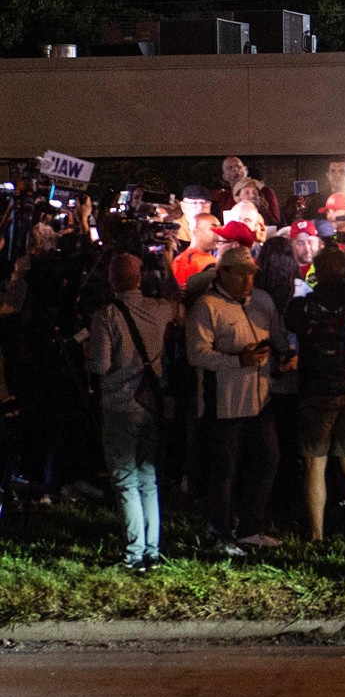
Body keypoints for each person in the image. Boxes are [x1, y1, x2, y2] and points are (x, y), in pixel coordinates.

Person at [186, 245, 289, 554]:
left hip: (260, 399)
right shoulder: (206, 306)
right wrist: (238, 360)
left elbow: (277, 333)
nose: (248, 281)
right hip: (224, 402)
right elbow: (197, 353)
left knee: (267, 459)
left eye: (252, 274)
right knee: (224, 469)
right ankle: (219, 532)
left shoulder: (262, 301)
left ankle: (250, 528)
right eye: (242, 274)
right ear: (224, 273)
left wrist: (283, 356)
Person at [86, 252, 180, 570]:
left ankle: (134, 553)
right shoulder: (158, 309)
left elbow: (101, 365)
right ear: (140, 278)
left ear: (111, 280)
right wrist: (167, 265)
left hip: (118, 404)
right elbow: (177, 303)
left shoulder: (106, 316)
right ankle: (152, 550)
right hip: (151, 403)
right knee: (148, 478)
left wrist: (86, 351)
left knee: (124, 480)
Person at [284, 247, 345, 541]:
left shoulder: (305, 305)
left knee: (315, 461)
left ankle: (317, 533)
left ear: (318, 272)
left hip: (318, 389)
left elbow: (290, 325)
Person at [172, 213, 219, 289]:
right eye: (213, 229)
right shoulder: (206, 262)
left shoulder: (179, 260)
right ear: (196, 232)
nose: (218, 233)